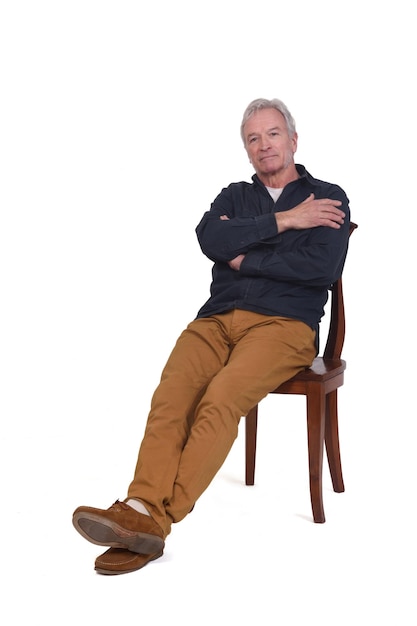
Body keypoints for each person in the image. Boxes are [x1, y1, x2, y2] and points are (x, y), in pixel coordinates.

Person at [72, 97, 350, 575]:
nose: (264, 145)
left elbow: (319, 268)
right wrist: (285, 222)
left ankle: (154, 518)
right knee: (171, 397)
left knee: (220, 399)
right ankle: (140, 512)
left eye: (273, 134)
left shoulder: (327, 197)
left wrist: (246, 254)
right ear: (246, 150)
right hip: (217, 319)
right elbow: (210, 241)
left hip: (284, 325)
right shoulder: (233, 196)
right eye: (253, 139)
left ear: (294, 139)